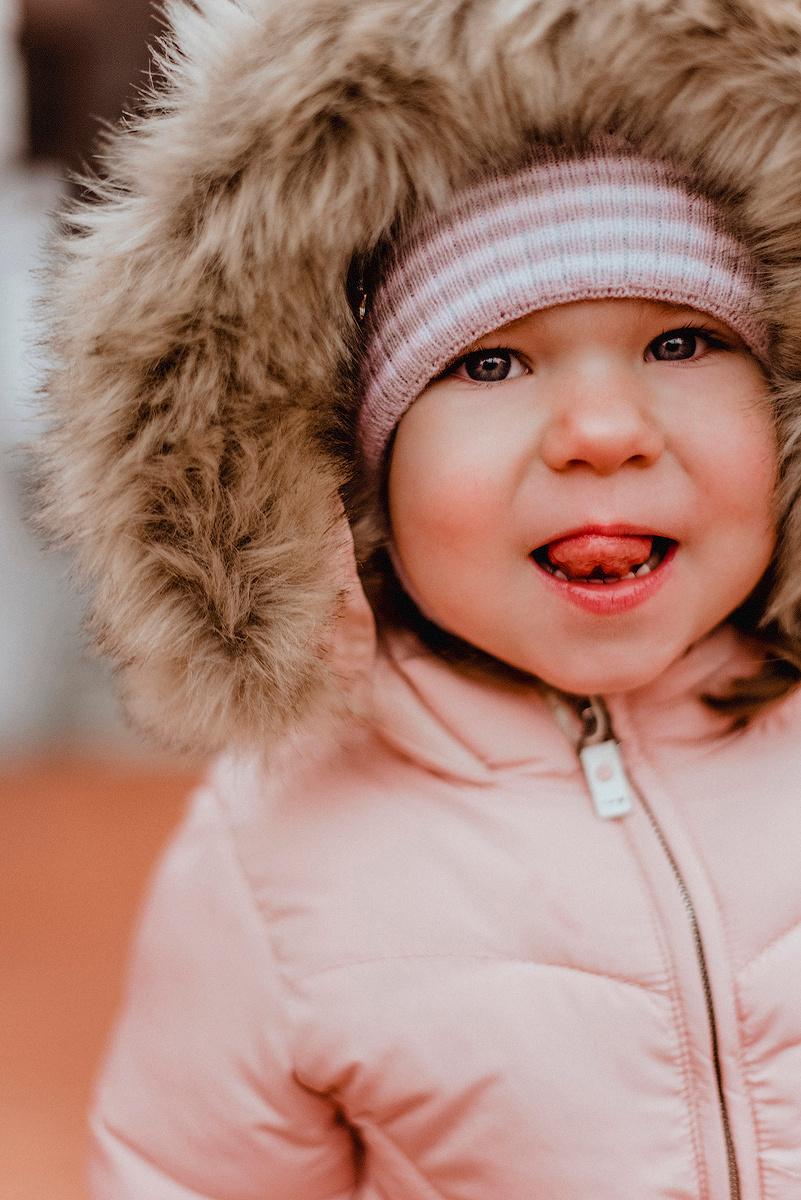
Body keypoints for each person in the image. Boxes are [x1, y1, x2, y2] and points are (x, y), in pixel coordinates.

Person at [36, 0, 801, 1195]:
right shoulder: (274, 853)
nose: (603, 432)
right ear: (353, 474)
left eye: (684, 343)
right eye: (489, 362)